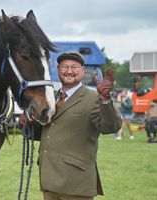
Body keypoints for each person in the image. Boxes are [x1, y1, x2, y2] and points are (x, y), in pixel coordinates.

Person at [35, 52, 122, 200]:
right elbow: (47, 132)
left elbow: (111, 127)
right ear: (58, 70)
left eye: (74, 67)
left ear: (82, 70)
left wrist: (105, 100)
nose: (69, 71)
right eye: (65, 67)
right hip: (48, 180)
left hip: (76, 184)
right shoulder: (52, 98)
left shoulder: (94, 98)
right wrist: (29, 123)